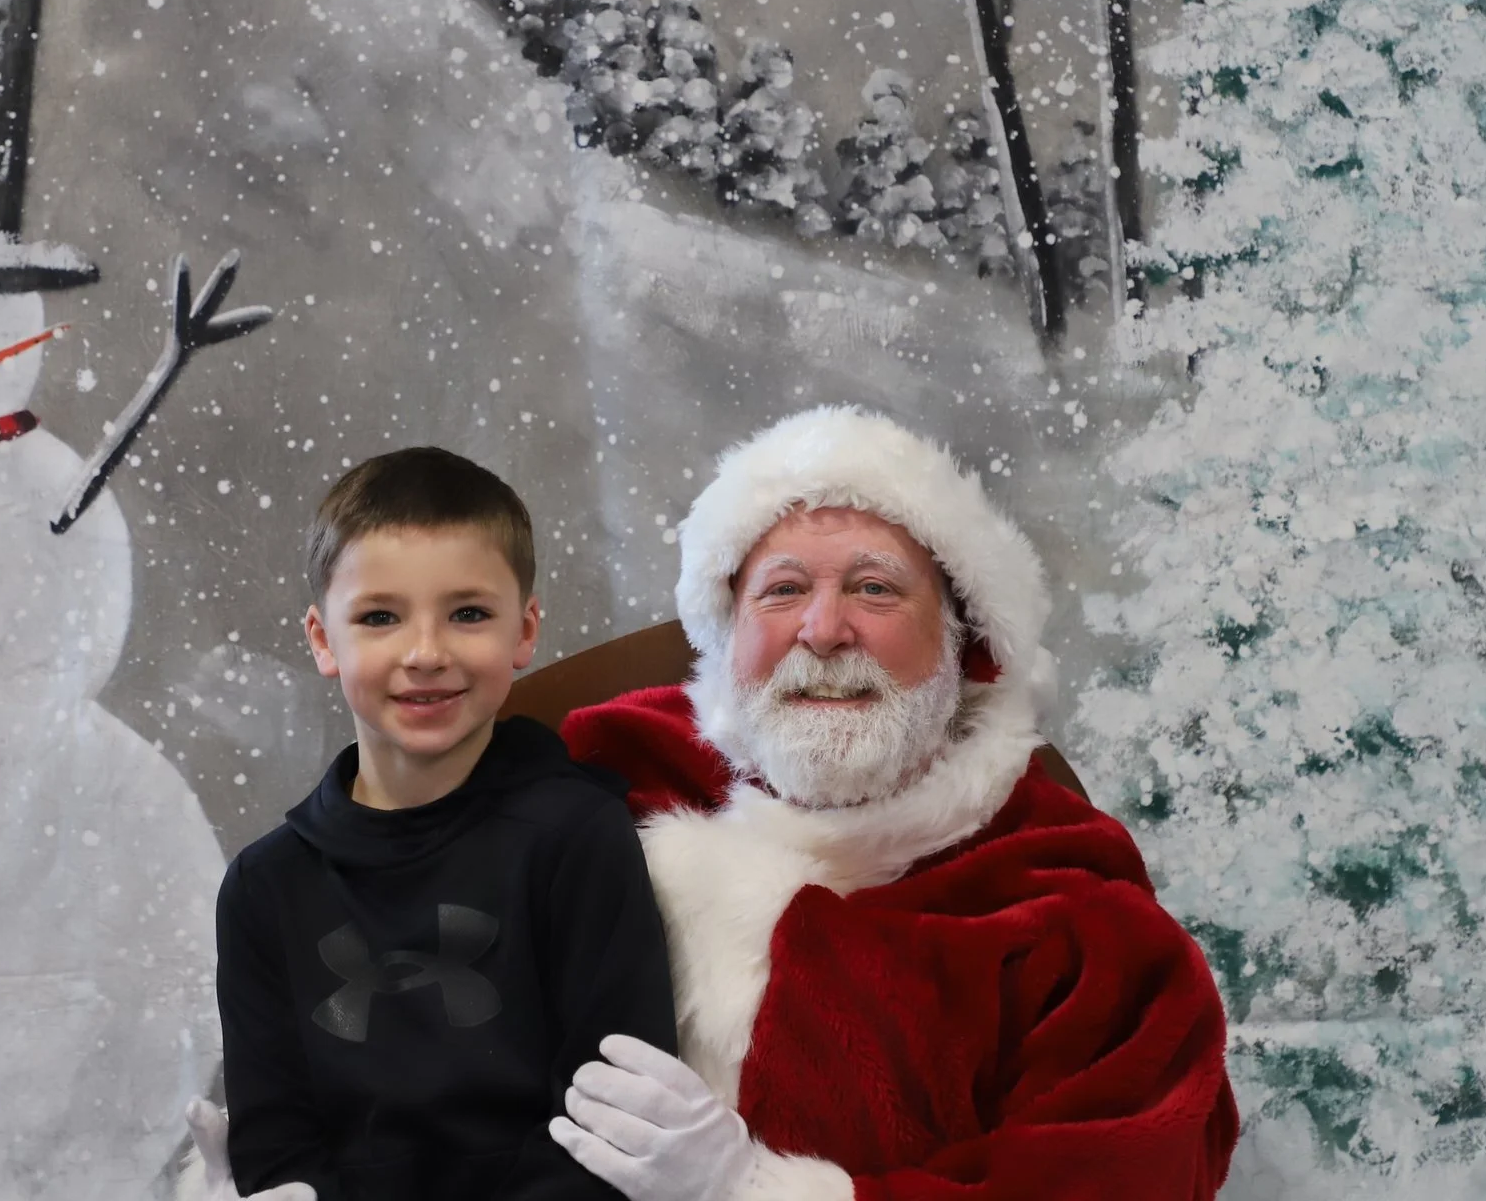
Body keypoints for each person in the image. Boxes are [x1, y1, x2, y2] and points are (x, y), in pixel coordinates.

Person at [548, 405, 1238, 1200]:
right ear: (727, 631)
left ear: (962, 640)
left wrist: (751, 1190)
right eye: (783, 590)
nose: (822, 629)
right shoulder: (609, 774)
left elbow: (1137, 1174)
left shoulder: (1069, 911)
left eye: (874, 589)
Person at [187, 447, 678, 1201]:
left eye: (468, 614)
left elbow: (615, 1118)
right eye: (380, 617)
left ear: (525, 630)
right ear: (323, 639)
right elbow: (278, 1143)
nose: (425, 653)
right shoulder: (264, 887)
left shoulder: (577, 836)